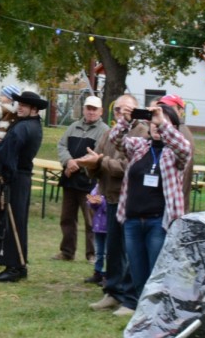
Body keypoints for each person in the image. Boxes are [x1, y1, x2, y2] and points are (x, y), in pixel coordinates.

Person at [109, 101, 191, 303]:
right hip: (133, 221)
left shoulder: (175, 154)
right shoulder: (139, 146)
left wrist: (163, 122)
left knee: (158, 275)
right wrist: (125, 121)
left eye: (161, 123)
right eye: (153, 123)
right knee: (138, 274)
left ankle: (159, 316)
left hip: (159, 223)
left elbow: (185, 147)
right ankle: (144, 315)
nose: (155, 126)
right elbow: (116, 140)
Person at [78, 93, 142, 315]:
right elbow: (98, 162)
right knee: (113, 248)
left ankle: (129, 297)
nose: (122, 114)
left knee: (130, 250)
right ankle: (112, 292)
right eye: (118, 110)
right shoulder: (109, 133)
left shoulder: (141, 133)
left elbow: (128, 167)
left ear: (136, 111)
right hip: (110, 198)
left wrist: (101, 162)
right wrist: (91, 164)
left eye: (128, 110)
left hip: (132, 200)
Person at [0, 90, 47, 282]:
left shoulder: (23, 127)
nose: (20, 107)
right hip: (19, 178)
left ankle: (15, 268)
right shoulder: (29, 125)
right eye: (20, 104)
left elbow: (9, 156)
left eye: (24, 105)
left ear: (34, 109)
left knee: (13, 223)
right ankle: (17, 264)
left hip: (14, 180)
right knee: (13, 221)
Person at [53, 95, 109, 262]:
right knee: (67, 218)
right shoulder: (73, 126)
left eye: (94, 109)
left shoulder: (104, 131)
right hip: (70, 181)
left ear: (101, 111)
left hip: (89, 182)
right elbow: (61, 145)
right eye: (88, 108)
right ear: (84, 109)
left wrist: (75, 164)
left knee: (91, 220)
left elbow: (99, 155)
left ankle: (92, 254)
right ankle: (67, 252)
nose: (91, 112)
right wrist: (68, 161)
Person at [156, 93, 196, 213]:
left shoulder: (180, 132)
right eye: (162, 108)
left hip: (174, 202)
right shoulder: (167, 129)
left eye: (170, 108)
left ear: (180, 111)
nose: (165, 111)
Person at [84, 183, 107, 285]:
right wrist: (93, 202)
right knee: (99, 252)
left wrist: (102, 202)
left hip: (108, 227)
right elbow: (91, 202)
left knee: (107, 253)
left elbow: (112, 204)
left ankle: (107, 275)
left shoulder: (114, 188)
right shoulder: (98, 186)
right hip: (98, 227)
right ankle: (97, 273)